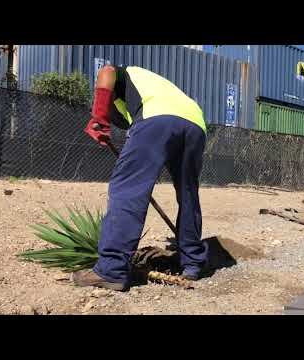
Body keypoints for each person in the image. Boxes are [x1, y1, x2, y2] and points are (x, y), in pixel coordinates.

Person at [73, 65, 208, 291]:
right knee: (188, 194)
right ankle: (192, 262)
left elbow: (105, 72)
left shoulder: (124, 74)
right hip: (195, 124)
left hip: (157, 118)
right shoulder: (151, 86)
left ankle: (111, 270)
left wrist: (99, 117)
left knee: (128, 188)